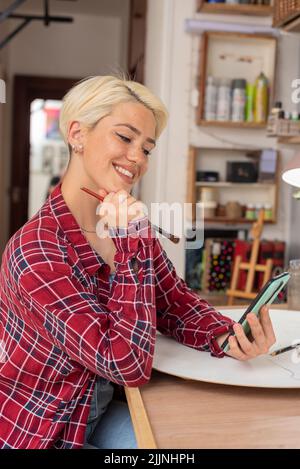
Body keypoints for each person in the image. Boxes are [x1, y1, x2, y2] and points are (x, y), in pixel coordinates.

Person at [0, 76, 276, 449]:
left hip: (98, 407)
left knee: (211, 436)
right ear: (77, 134)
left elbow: (174, 301)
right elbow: (125, 362)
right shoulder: (35, 252)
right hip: (52, 429)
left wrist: (226, 335)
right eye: (125, 138)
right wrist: (131, 244)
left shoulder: (124, 225)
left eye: (147, 148)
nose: (138, 158)